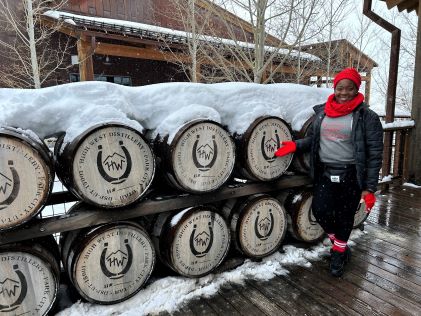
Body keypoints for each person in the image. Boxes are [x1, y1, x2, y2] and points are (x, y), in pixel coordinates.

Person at [275, 68, 383, 277]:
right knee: (321, 210)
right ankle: (339, 243)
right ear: (334, 88)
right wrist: (295, 146)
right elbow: (315, 140)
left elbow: (375, 154)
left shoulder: (367, 117)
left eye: (349, 88)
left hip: (351, 174)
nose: (344, 92)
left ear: (356, 89)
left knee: (345, 215)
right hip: (325, 172)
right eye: (340, 88)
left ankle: (339, 252)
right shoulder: (323, 113)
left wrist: (369, 188)